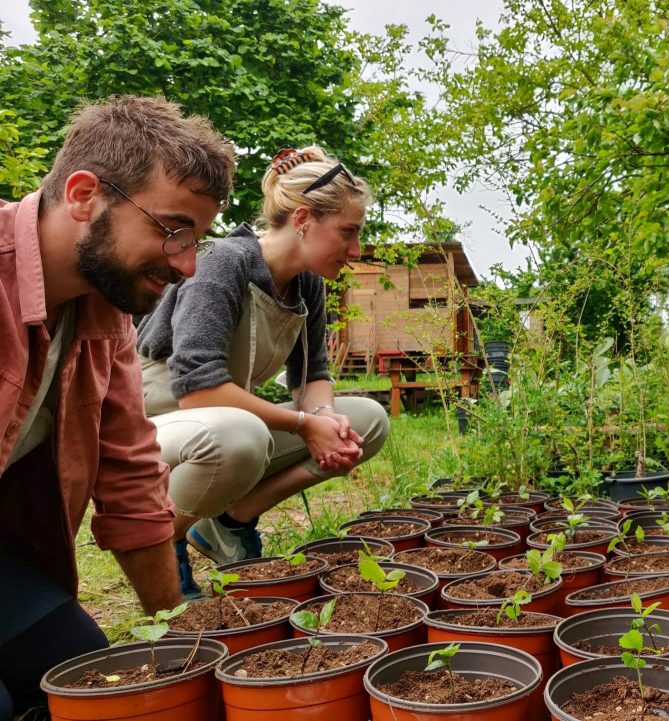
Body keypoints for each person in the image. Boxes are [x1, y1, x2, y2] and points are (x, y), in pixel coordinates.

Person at [0, 95, 235, 719]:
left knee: (75, 674)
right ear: (83, 195)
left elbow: (131, 476)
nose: (187, 265)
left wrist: (179, 639)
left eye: (197, 240)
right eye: (171, 229)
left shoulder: (104, 316)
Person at [136, 146, 390, 596]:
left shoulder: (307, 283)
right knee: (240, 436)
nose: (355, 250)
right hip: (152, 423)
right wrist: (302, 423)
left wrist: (325, 416)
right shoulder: (222, 263)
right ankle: (162, 539)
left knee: (367, 422)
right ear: (304, 219)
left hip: (222, 417)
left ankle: (228, 523)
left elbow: (313, 375)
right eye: (347, 232)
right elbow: (197, 390)